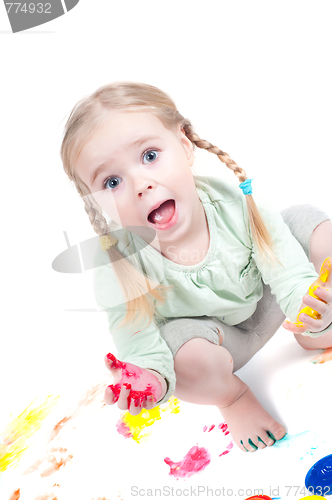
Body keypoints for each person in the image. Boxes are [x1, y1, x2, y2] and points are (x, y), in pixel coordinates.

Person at [60, 82, 332, 452]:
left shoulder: (238, 202)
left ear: (185, 145)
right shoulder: (118, 267)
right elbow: (142, 347)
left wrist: (306, 302)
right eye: (112, 181)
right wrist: (148, 381)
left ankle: (315, 328)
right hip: (213, 344)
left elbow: (286, 271)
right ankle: (233, 398)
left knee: (312, 223)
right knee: (178, 354)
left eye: (150, 155)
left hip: (277, 304)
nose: (140, 184)